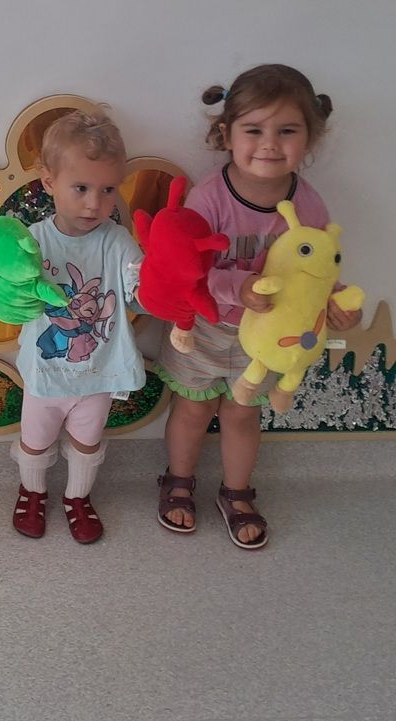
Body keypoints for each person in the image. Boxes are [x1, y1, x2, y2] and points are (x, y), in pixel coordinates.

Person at [155, 64, 361, 549]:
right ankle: (178, 481)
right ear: (226, 134)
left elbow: (316, 269)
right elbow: (186, 270)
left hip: (268, 341)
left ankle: (237, 492)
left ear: (310, 137)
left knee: (243, 414)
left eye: (287, 131)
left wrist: (334, 302)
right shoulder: (209, 198)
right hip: (205, 329)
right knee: (191, 408)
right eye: (254, 130)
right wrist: (239, 288)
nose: (269, 144)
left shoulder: (310, 206)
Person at [11, 109, 145, 544]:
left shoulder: (117, 241)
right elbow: (10, 290)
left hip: (97, 373)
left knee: (88, 442)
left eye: (108, 190)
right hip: (45, 373)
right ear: (49, 181)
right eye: (82, 188)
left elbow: (139, 292)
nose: (95, 204)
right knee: (35, 440)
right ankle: (32, 491)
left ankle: (77, 497)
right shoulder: (33, 241)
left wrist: (160, 287)